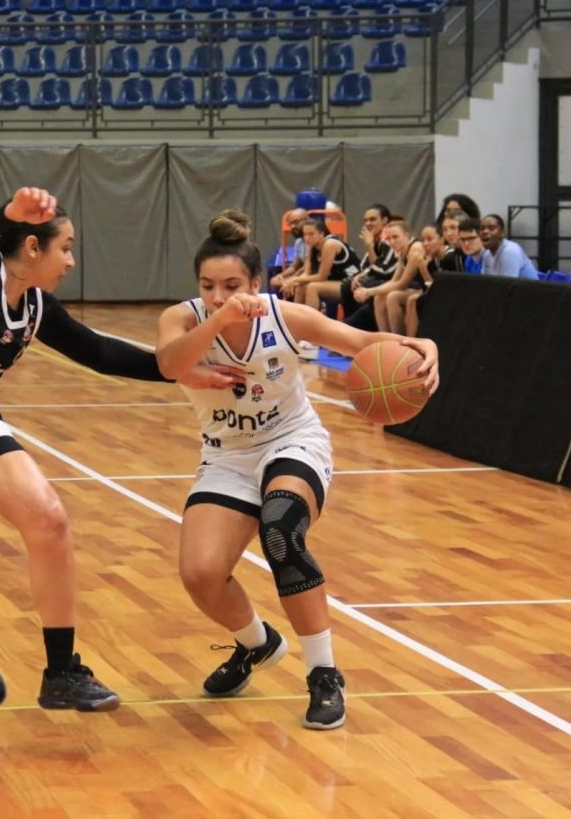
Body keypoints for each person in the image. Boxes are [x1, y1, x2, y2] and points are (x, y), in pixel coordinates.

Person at [0, 187, 239, 713]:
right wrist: (7, 214)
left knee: (49, 519)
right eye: (67, 248)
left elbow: (98, 351)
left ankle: (62, 673)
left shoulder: (33, 304)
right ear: (32, 248)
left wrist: (177, 372)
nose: (72, 261)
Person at [155, 209, 439, 729]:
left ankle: (324, 674)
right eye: (208, 285)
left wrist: (423, 345)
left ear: (257, 283)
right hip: (227, 454)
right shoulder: (185, 319)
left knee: (281, 528)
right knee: (199, 575)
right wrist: (220, 317)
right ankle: (257, 646)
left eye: (232, 285)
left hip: (291, 441)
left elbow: (358, 344)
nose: (219, 295)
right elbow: (171, 364)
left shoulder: (283, 316)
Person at [352, 219, 431, 334]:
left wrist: (369, 291)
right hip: (419, 288)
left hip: (429, 289)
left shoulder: (415, 248)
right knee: (379, 297)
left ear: (406, 235)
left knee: (393, 296)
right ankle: (386, 337)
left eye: (395, 237)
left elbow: (402, 283)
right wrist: (370, 291)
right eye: (389, 239)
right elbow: (394, 280)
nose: (392, 242)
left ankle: (398, 339)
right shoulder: (402, 251)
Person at [339, 203, 397, 327]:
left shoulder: (389, 238)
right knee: (349, 283)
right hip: (381, 278)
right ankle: (351, 323)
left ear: (385, 220)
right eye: (365, 220)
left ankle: (353, 325)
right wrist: (358, 276)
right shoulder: (375, 239)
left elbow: (382, 271)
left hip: (390, 280)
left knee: (366, 283)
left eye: (373, 219)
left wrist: (369, 247)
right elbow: (366, 267)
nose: (368, 223)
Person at [280, 218, 359, 308]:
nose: (307, 238)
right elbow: (306, 274)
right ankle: (297, 319)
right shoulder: (312, 247)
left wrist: (294, 280)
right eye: (305, 234)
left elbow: (321, 277)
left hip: (352, 283)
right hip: (336, 282)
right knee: (300, 287)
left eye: (311, 234)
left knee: (312, 287)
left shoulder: (330, 244)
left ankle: (312, 321)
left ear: (321, 234)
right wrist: (292, 282)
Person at [479, 214, 538, 279]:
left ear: (502, 232)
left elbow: (507, 286)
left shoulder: (510, 251)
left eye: (491, 228)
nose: (485, 231)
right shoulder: (487, 254)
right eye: (482, 228)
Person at [269, 208, 309, 294]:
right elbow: (294, 266)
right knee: (274, 281)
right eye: (290, 224)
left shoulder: (313, 241)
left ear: (306, 220)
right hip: (301, 275)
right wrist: (281, 275)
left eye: (296, 222)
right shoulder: (298, 242)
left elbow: (306, 268)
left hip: (310, 276)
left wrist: (292, 279)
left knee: (296, 284)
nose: (293, 226)